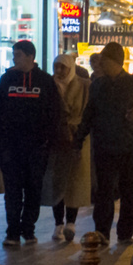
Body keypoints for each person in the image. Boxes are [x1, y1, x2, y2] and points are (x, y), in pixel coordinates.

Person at [75, 43, 133, 242]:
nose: (100, 64)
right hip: (104, 146)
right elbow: (89, 115)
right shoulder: (98, 85)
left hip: (131, 146)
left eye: (104, 59)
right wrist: (78, 140)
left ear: (114, 61)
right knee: (104, 191)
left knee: (130, 191)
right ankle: (102, 232)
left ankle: (125, 233)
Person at [0, 40, 62, 246]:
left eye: (18, 55)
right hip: (10, 146)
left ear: (30, 56)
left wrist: (51, 141)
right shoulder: (7, 79)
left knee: (34, 189)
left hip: (37, 147)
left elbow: (55, 113)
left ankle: (28, 228)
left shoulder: (45, 81)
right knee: (12, 190)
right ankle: (12, 231)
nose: (14, 59)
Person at [43, 54, 93, 242]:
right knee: (57, 180)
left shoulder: (83, 85)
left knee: (75, 180)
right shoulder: (49, 85)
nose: (59, 71)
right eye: (56, 66)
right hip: (56, 137)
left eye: (63, 67)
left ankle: (71, 222)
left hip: (78, 137)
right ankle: (58, 223)